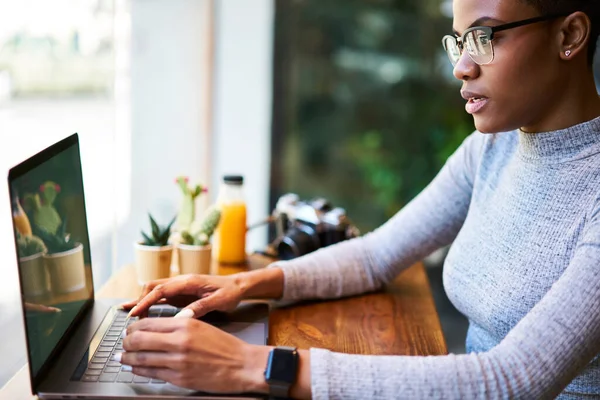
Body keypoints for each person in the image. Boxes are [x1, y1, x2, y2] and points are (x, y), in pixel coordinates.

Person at [118, 0, 600, 398]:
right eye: (457, 40)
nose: (461, 65)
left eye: (485, 37)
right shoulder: (491, 148)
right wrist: (244, 285)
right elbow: (376, 254)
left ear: (569, 36)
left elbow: (511, 382)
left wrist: (254, 366)